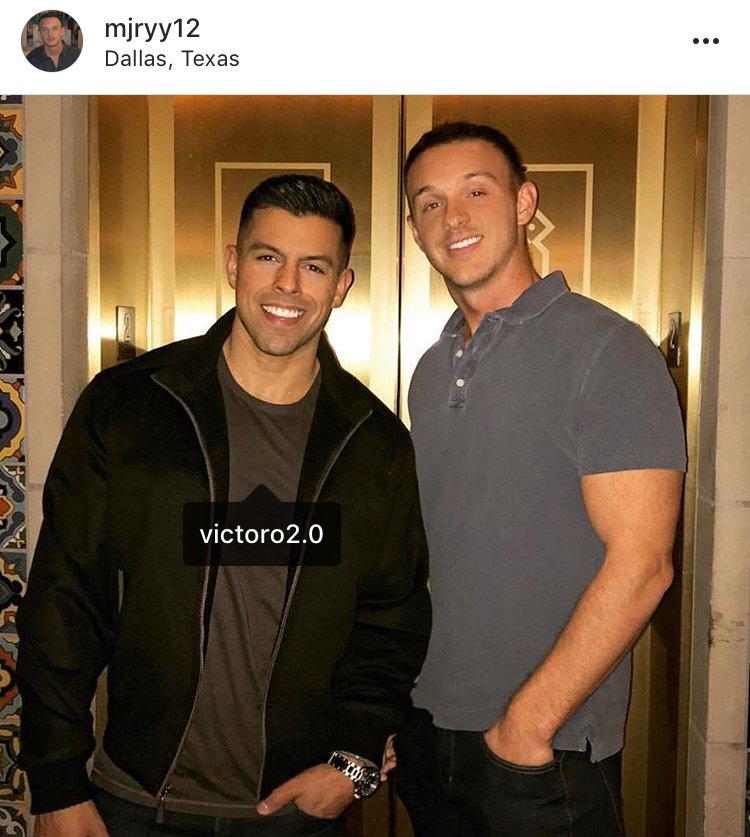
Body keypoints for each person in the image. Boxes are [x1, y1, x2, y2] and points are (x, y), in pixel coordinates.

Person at [17, 175, 431, 837]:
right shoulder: (131, 407)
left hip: (294, 813)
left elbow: (391, 621)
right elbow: (65, 598)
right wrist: (57, 782)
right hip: (132, 802)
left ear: (341, 285)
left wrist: (352, 763)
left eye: (314, 266)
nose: (288, 285)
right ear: (234, 263)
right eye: (268, 256)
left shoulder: (371, 443)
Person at [394, 122, 686, 836]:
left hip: (543, 755)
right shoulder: (430, 369)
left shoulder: (609, 350)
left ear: (524, 203)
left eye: (476, 191)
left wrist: (525, 727)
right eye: (429, 203)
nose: (452, 217)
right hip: (429, 734)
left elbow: (643, 565)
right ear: (414, 229)